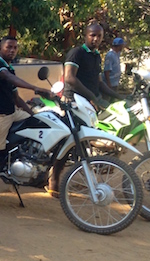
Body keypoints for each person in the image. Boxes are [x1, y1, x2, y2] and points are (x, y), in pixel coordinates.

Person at [0, 36, 52, 214]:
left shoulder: (9, 68)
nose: (12, 50)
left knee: (42, 124)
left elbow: (16, 98)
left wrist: (33, 115)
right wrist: (35, 88)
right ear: (0, 49)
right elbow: (9, 78)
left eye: (15, 48)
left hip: (12, 113)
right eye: (9, 47)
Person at [46, 22, 123, 197]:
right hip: (72, 103)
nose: (95, 39)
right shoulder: (77, 53)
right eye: (92, 35)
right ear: (86, 36)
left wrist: (119, 97)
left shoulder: (96, 56)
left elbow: (99, 82)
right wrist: (93, 96)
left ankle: (78, 179)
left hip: (86, 106)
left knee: (82, 143)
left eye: (99, 36)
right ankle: (53, 180)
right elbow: (70, 78)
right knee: (68, 142)